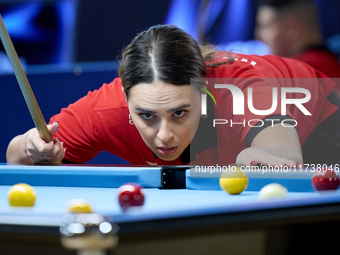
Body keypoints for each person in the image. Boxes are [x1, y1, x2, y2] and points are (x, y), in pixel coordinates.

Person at [6, 25, 340, 167]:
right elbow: (14, 156)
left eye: (180, 112)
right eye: (146, 116)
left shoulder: (243, 90)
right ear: (127, 100)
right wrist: (32, 147)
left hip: (328, 126)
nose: (163, 136)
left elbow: (288, 160)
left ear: (204, 90)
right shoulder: (107, 109)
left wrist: (247, 159)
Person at [255, 0, 340, 80]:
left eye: (266, 26)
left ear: (291, 28)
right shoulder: (328, 64)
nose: (258, 36)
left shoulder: (299, 71)